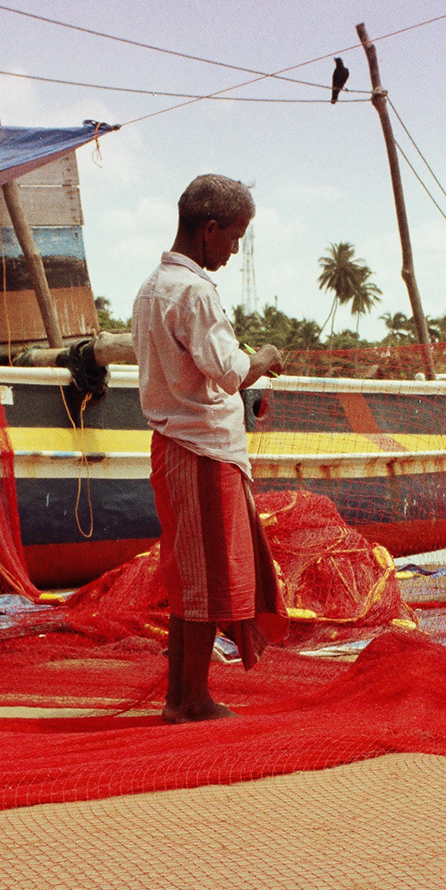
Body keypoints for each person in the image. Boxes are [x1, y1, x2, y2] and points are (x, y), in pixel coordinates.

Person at [132, 176, 284, 722]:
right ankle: (187, 700)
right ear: (210, 229)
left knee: (196, 573)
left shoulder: (152, 287)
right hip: (200, 449)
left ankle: (187, 695)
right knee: (201, 576)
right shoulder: (192, 291)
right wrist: (263, 355)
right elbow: (230, 371)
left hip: (180, 445)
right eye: (234, 237)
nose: (234, 250)